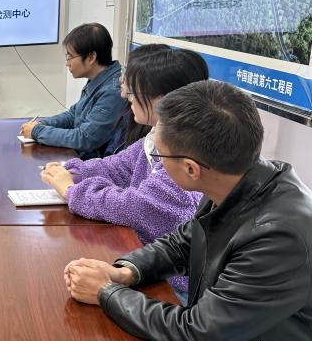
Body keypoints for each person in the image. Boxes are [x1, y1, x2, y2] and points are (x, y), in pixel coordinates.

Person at [62, 80, 312, 341]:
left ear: (191, 169)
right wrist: (127, 272)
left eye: (160, 154)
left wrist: (106, 293)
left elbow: (199, 331)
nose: (156, 162)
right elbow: (183, 241)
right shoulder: (242, 181)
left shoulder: (280, 236)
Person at [41, 47, 208, 302]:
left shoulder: (186, 153)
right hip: (145, 263)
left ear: (164, 99)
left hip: (174, 287)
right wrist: (72, 171)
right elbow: (117, 167)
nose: (124, 93)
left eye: (133, 89)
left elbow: (136, 206)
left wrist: (71, 191)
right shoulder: (156, 136)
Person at [21, 23, 123, 159]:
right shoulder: (98, 79)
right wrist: (42, 124)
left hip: (93, 165)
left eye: (70, 57)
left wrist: (38, 131)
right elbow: (73, 115)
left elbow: (85, 138)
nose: (67, 63)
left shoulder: (112, 91)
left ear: (91, 57)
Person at [102, 43, 170, 156]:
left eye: (127, 73)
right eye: (124, 70)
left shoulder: (157, 135)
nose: (121, 79)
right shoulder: (130, 111)